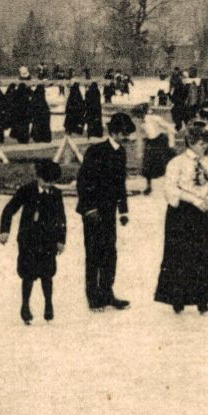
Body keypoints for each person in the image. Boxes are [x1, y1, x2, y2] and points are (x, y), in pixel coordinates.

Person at [153, 124, 208, 314]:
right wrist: (194, 200)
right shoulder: (176, 163)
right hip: (181, 213)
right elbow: (170, 189)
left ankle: (203, 297)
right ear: (191, 143)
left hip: (201, 212)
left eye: (206, 144)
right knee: (179, 255)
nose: (205, 148)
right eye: (201, 144)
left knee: (202, 254)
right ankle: (178, 297)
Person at [0, 158, 67, 324]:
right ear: (38, 177)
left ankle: (48, 304)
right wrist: (4, 231)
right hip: (28, 239)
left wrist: (61, 240)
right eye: (46, 181)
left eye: (52, 182)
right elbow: (9, 210)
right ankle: (25, 306)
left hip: (48, 241)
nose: (48, 185)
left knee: (47, 274)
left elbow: (61, 218)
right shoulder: (26, 190)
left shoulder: (56, 194)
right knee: (28, 275)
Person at [77, 114, 134, 312]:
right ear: (114, 132)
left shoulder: (121, 152)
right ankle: (93, 297)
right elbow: (83, 182)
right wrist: (89, 208)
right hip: (92, 211)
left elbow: (120, 183)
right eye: (124, 134)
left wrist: (123, 211)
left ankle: (107, 293)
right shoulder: (95, 151)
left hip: (109, 211)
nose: (127, 138)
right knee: (93, 253)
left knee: (109, 252)